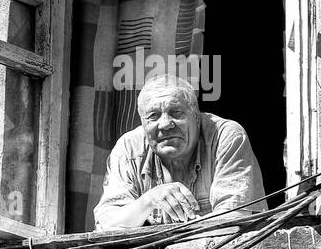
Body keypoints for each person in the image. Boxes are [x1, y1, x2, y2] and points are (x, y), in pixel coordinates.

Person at [93, 75, 267, 230]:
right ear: (143, 124)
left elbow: (233, 220)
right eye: (153, 116)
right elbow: (108, 223)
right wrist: (150, 200)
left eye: (176, 112)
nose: (165, 124)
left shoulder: (225, 136)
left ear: (196, 117)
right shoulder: (129, 148)